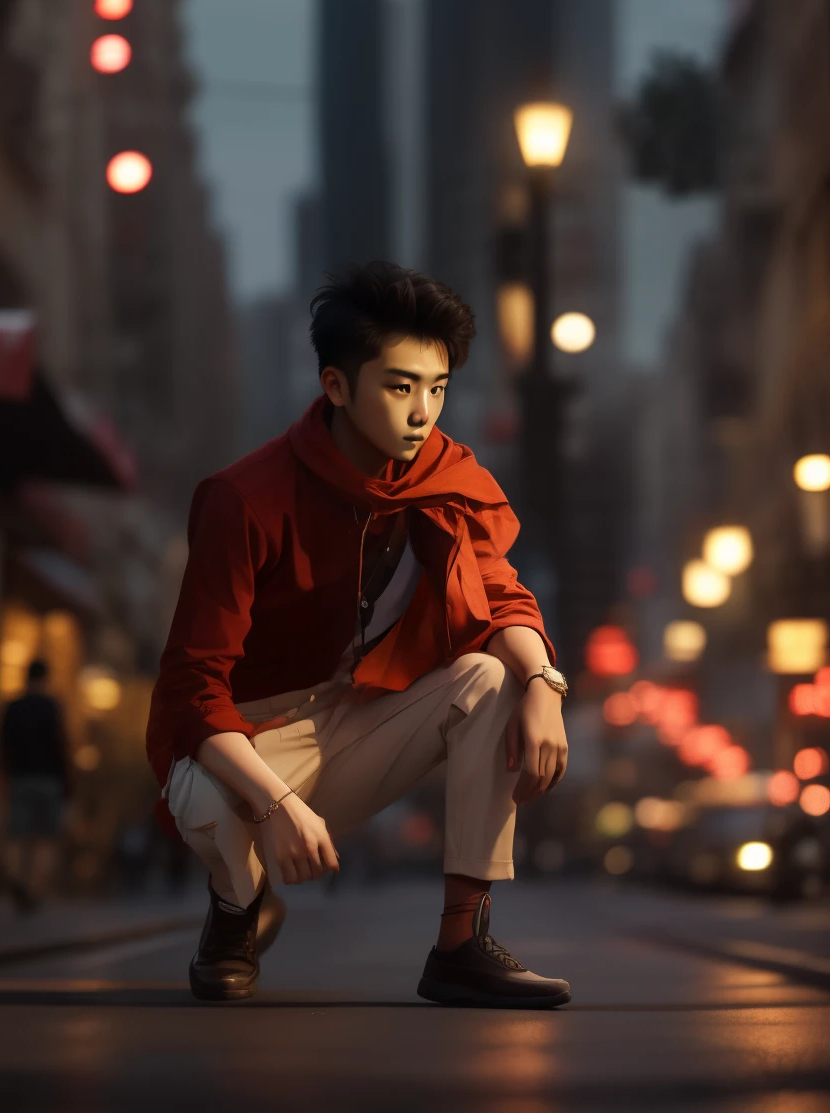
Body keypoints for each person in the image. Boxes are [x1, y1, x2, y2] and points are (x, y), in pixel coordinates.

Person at [147, 261, 571, 1006]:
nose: (423, 413)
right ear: (336, 385)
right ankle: (237, 908)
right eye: (400, 386)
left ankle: (461, 942)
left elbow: (503, 599)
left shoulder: (444, 481)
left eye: (438, 390)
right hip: (252, 738)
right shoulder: (244, 498)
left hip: (361, 715)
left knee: (495, 675)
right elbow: (191, 687)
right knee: (209, 804)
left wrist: (544, 686)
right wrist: (276, 805)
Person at [0, 658, 69, 911]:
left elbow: (2, 746)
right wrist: (68, 780)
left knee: (16, 834)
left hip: (19, 778)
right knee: (45, 838)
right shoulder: (51, 707)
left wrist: (3, 777)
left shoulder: (12, 707)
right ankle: (34, 889)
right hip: (49, 780)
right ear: (45, 678)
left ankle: (16, 877)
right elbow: (61, 744)